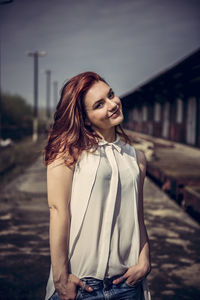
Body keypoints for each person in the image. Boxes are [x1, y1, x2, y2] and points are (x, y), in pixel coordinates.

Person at [44, 71, 151, 300]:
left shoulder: (137, 158)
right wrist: (60, 278)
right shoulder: (67, 153)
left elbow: (136, 215)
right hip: (82, 286)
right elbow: (58, 211)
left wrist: (144, 260)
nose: (113, 104)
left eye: (111, 95)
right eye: (99, 104)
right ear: (85, 118)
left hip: (127, 285)